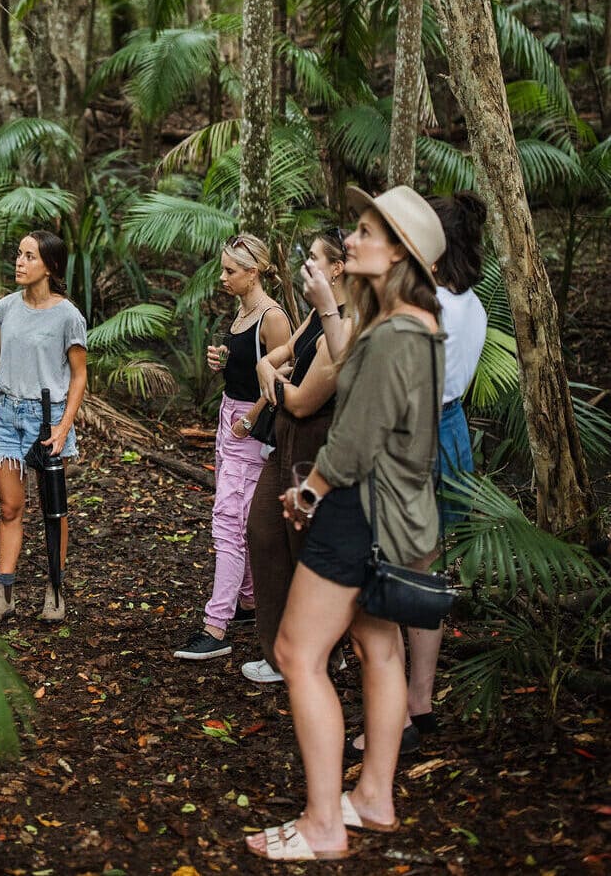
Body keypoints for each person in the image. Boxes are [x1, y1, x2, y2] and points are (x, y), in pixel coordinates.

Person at [245, 185, 446, 861]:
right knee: (377, 647)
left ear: (397, 254)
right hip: (393, 513)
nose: (350, 240)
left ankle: (323, 821)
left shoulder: (394, 334)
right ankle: (373, 797)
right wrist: (331, 310)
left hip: (356, 508)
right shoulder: (413, 325)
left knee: (297, 653)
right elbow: (358, 384)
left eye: (364, 232)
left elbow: (355, 436)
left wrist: (310, 490)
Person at [346, 190, 487, 754]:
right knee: (424, 576)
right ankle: (419, 702)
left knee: (387, 577)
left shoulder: (423, 309)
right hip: (452, 432)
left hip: (413, 436)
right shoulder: (470, 304)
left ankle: (393, 717)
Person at [174, 234, 291, 661]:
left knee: (228, 523)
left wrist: (252, 417)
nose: (222, 277)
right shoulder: (244, 310)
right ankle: (247, 603)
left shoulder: (272, 316)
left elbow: (287, 371)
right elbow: (249, 365)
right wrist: (221, 360)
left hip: (249, 427)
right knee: (235, 517)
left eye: (230, 271)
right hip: (229, 418)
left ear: (253, 272)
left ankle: (215, 626)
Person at [241, 229, 349, 684]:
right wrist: (270, 368)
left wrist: (274, 381)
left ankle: (324, 651)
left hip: (314, 444)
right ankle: (280, 649)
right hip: (283, 437)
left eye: (314, 258)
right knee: (263, 532)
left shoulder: (345, 324)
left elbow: (305, 400)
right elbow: (276, 358)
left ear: (338, 268)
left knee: (306, 548)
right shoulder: (313, 316)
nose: (306, 264)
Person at [0, 230, 87, 624]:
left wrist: (63, 425)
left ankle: (55, 590)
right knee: (10, 508)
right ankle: (4, 594)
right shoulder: (6, 308)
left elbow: (78, 377)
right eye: (18, 254)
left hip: (48, 417)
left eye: (29, 256)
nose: (19, 262)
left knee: (55, 510)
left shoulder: (68, 316)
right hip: (4, 415)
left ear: (50, 266)